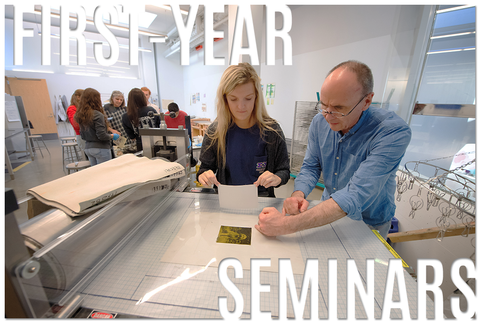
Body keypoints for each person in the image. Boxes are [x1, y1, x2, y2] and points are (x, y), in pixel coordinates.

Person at [255, 60, 412, 239]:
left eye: (338, 108)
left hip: (370, 221)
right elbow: (311, 166)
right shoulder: (319, 122)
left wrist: (285, 225)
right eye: (323, 105)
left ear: (367, 101)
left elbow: (355, 195)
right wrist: (298, 194)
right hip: (327, 212)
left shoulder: (392, 132)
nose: (328, 116)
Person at [196, 62, 290, 198]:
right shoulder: (215, 132)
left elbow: (284, 170)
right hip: (226, 200)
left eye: (248, 98)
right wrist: (204, 176)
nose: (241, 106)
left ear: (256, 97)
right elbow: (204, 169)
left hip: (262, 202)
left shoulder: (272, 131)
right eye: (233, 99)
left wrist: (277, 178)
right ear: (225, 99)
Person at [75, 88, 119, 166]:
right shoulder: (97, 115)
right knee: (105, 173)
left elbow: (82, 135)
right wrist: (112, 136)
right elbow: (102, 136)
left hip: (88, 148)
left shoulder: (80, 115)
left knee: (96, 174)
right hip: (101, 149)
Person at [122, 88, 161, 152]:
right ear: (143, 98)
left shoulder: (126, 116)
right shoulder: (150, 110)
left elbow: (132, 137)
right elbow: (159, 126)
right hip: (157, 143)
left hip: (141, 146)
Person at [66, 89, 86, 154]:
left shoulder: (81, 107)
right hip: (82, 136)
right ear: (78, 97)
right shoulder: (72, 108)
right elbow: (76, 125)